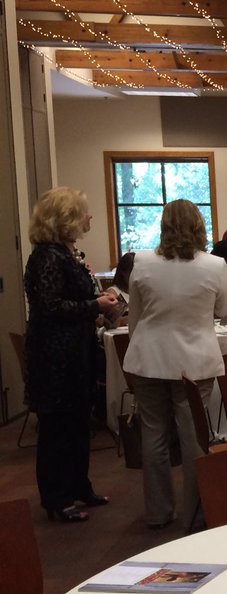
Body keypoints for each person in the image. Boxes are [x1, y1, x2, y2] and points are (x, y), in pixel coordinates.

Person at [125, 199, 227, 530]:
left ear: (163, 225)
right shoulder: (215, 265)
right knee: (193, 439)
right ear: (200, 226)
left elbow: (135, 316)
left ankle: (158, 512)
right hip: (195, 361)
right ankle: (196, 513)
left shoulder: (141, 260)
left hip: (148, 358)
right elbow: (224, 310)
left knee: (153, 435)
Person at [22, 187, 120, 523]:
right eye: (83, 212)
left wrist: (96, 306)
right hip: (55, 357)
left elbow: (70, 302)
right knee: (57, 429)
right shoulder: (47, 257)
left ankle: (79, 486)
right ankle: (57, 498)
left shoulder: (65, 254)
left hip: (75, 352)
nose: (89, 217)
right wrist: (95, 305)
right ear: (65, 218)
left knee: (78, 423)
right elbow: (49, 307)